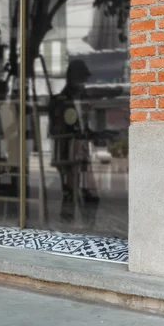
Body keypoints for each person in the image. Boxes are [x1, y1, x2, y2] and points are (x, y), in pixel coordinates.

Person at [48, 60, 100, 224]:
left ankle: (86, 217)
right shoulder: (60, 100)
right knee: (71, 188)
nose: (84, 83)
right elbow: (58, 130)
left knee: (88, 189)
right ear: (73, 78)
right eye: (81, 79)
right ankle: (69, 219)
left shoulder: (83, 98)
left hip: (81, 151)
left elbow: (85, 126)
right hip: (66, 150)